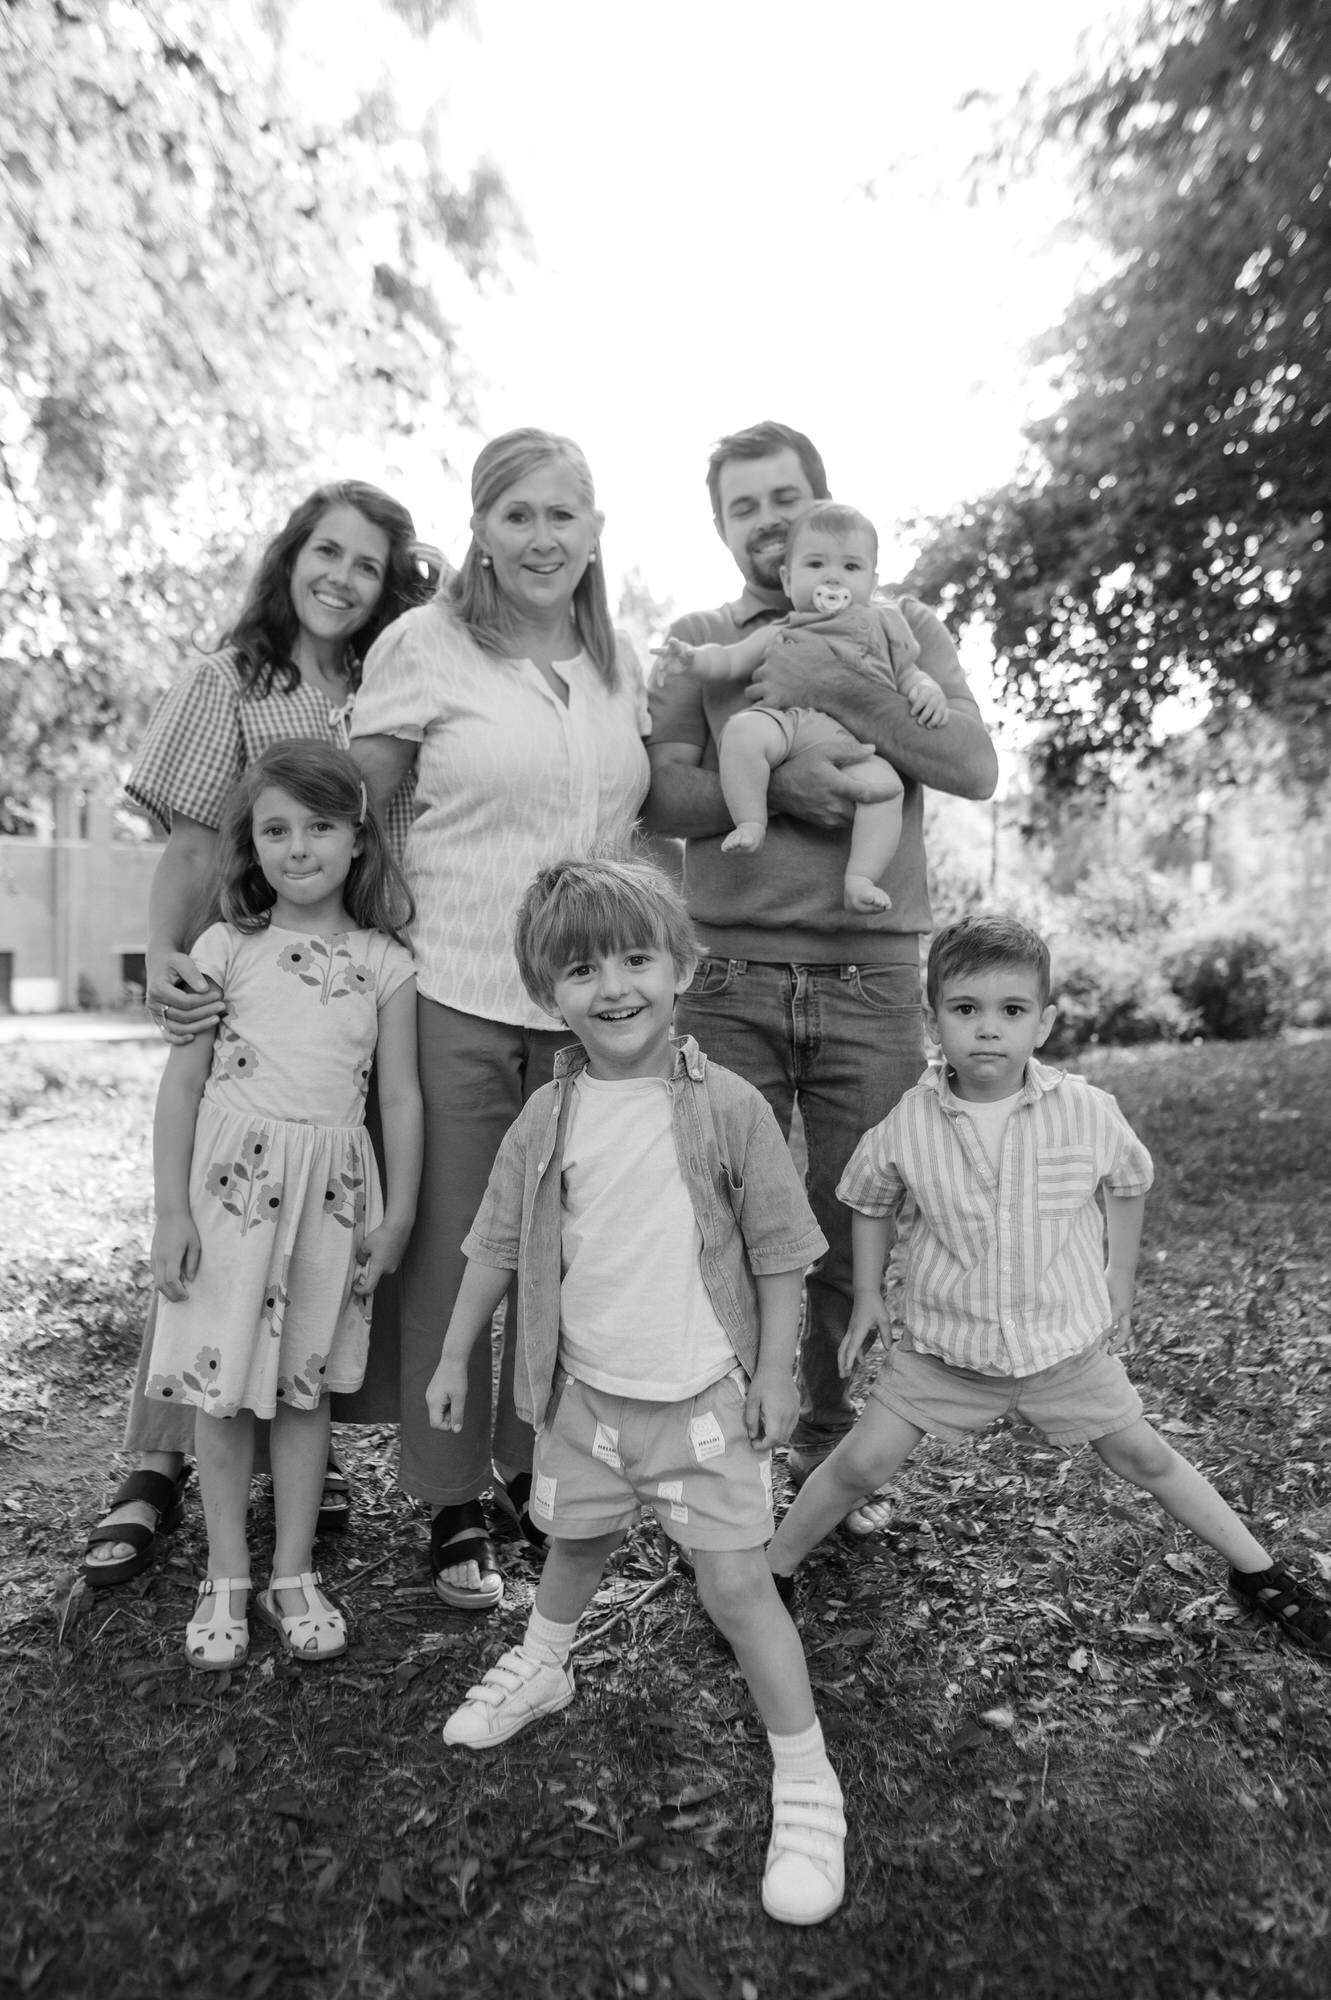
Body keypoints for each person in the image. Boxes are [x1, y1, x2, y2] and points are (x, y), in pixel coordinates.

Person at [425, 856, 847, 1925]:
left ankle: (804, 1774)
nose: (611, 986)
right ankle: (545, 1661)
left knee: (736, 1587)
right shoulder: (547, 1115)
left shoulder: (728, 1107)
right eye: (580, 969)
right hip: (584, 1398)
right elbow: (497, 1239)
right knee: (571, 1541)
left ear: (681, 968)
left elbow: (782, 1250)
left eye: (633, 959)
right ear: (546, 992)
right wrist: (453, 1354)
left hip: (702, 1399)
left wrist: (776, 1371)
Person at [766, 913, 1331, 1662]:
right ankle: (770, 1572)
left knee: (1145, 1457)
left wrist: (1118, 1275)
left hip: (1063, 1346)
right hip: (945, 1352)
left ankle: (1258, 1572)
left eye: (1012, 1010)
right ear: (932, 1023)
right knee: (861, 1464)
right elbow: (869, 1197)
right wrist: (867, 1292)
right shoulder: (910, 1121)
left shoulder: (1084, 1110)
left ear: (1044, 1022)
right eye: (965, 1009)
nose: (988, 1029)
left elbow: (1128, 1179)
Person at [81, 480, 438, 1588]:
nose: (341, 577)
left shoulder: (389, 687)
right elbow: (194, 845)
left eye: (367, 564)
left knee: (312, 1232)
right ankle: (157, 1462)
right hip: (246, 976)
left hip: (355, 981)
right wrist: (167, 957)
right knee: (216, 1226)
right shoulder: (230, 679)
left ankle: (302, 1461)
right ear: (291, 557)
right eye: (325, 551)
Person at [645, 421, 999, 1533]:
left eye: (784, 498)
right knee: (720, 1227)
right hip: (727, 974)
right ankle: (723, 1460)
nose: (767, 520)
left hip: (871, 977)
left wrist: (846, 685)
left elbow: (972, 765)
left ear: (821, 505)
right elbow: (658, 791)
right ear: (720, 525)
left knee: (855, 1227)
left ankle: (826, 1457)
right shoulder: (702, 639)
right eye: (743, 505)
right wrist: (781, 788)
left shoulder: (904, 624)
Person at [349, 429, 651, 1610]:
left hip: (590, 1012)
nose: (540, 537)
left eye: (560, 515)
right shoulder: (423, 644)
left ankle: (535, 1469)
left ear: (594, 531)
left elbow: (645, 819)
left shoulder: (619, 662)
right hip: (456, 989)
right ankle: (448, 1496)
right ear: (478, 529)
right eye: (516, 514)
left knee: (563, 1254)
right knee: (454, 1253)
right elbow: (357, 807)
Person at [145, 741, 422, 1668]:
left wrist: (399, 1214)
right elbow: (182, 1088)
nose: (297, 847)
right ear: (251, 843)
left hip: (327, 1202)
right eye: (275, 830)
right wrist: (172, 1212)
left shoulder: (387, 962)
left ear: (358, 839)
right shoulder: (224, 947)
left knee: (304, 1391)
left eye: (319, 826)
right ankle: (225, 1572)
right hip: (228, 1196)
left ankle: (292, 1571)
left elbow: (400, 1099)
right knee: (221, 1396)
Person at [654, 501, 948, 912]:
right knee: (741, 732)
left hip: (854, 743)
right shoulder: (783, 628)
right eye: (816, 564)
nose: (832, 577)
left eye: (851, 567)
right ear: (788, 580)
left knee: (885, 791)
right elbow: (730, 660)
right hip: (790, 726)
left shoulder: (887, 625)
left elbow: (910, 673)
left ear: (872, 581)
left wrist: (927, 689)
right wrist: (690, 659)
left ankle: (860, 878)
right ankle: (751, 821)